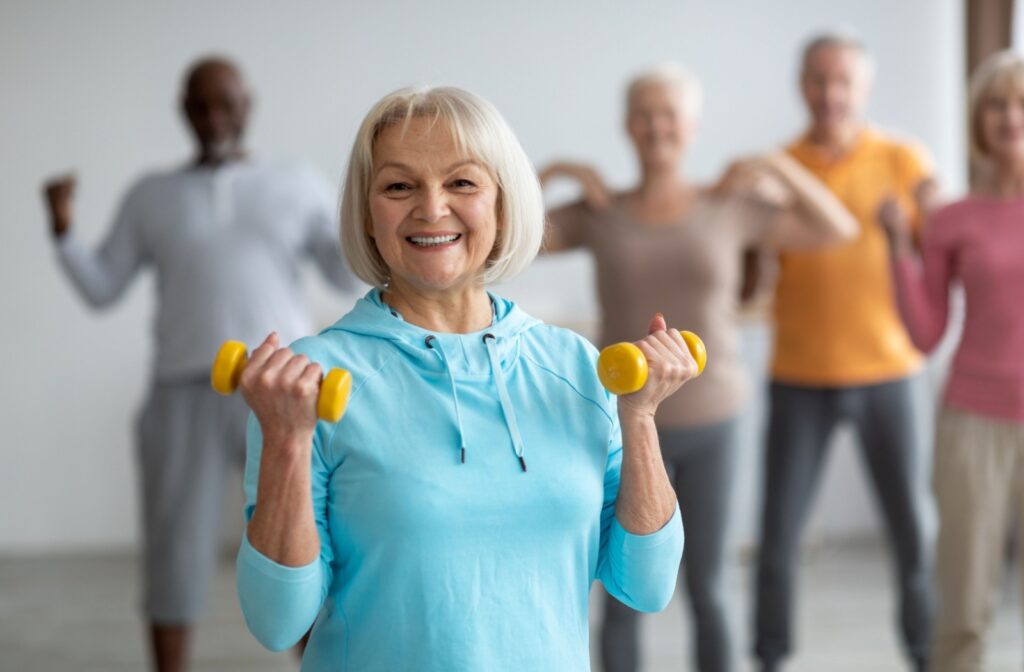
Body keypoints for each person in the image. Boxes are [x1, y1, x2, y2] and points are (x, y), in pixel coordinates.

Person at [234, 85, 692, 671]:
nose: (431, 208)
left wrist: (641, 417)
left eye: (462, 182)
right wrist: (286, 442)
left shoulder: (575, 367)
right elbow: (277, 623)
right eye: (399, 186)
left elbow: (647, 587)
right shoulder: (311, 382)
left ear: (502, 206)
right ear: (367, 215)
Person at [539, 63, 857, 672]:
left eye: (671, 114)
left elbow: (837, 226)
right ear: (628, 126)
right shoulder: (600, 210)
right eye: (645, 114)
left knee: (710, 587)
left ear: (692, 126)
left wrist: (777, 167)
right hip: (622, 426)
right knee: (623, 592)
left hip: (715, 420)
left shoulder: (728, 206)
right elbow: (500, 236)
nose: (658, 127)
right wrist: (553, 172)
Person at [41, 57, 355, 672]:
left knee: (300, 542)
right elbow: (102, 287)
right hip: (180, 390)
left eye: (226, 102)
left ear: (248, 104)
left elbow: (344, 275)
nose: (215, 117)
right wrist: (61, 231)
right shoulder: (151, 195)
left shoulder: (297, 182)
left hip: (281, 390)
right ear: (184, 111)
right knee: (173, 550)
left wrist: (360, 217)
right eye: (201, 105)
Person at [753, 33, 935, 672]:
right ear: (801, 85)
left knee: (912, 528)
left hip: (888, 370)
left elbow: (937, 254)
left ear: (863, 87)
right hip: (797, 374)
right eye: (817, 80)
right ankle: (770, 656)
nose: (829, 94)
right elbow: (753, 267)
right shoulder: (779, 167)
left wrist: (906, 232)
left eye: (842, 81)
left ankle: (926, 652)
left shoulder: (904, 159)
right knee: (777, 537)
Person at [882, 50, 1024, 672]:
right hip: (973, 425)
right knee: (963, 609)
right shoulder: (953, 219)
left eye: (1021, 102)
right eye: (996, 103)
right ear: (977, 120)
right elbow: (925, 333)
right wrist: (895, 248)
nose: (1010, 115)